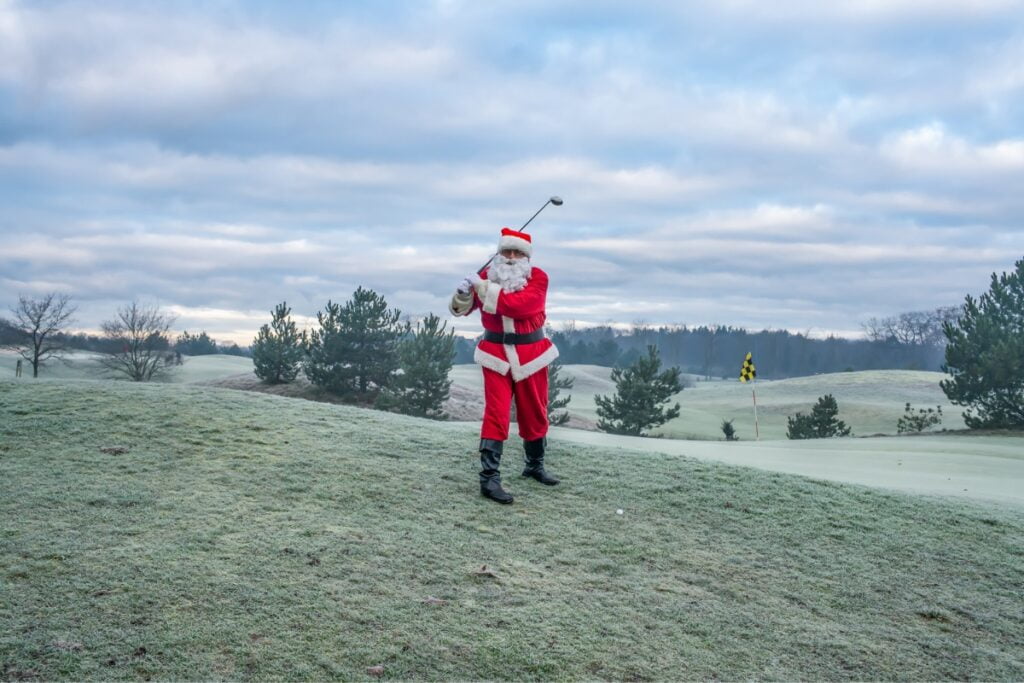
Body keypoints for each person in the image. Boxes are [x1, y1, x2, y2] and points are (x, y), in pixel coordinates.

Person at [449, 227, 561, 504]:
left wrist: (481, 288)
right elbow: (460, 310)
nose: (511, 257)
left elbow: (520, 306)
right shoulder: (486, 276)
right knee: (496, 413)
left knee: (535, 410)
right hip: (496, 354)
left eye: (517, 252)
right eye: (506, 251)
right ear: (498, 253)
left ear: (526, 256)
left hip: (532, 354)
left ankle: (534, 466)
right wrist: (463, 293)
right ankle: (489, 479)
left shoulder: (539, 278)